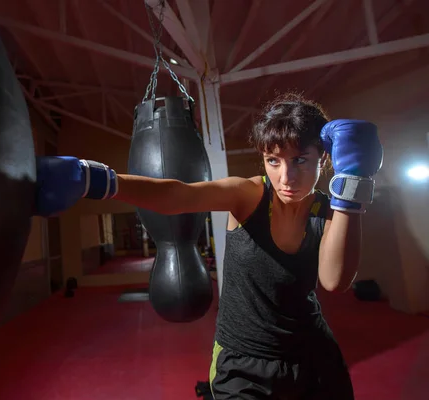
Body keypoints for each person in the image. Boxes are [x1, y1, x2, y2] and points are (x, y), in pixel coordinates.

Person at [35, 93, 383, 399]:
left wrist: (351, 189)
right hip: (243, 364)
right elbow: (178, 194)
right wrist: (95, 180)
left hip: (314, 357)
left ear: (323, 159)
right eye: (273, 160)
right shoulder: (248, 194)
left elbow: (335, 280)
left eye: (300, 160)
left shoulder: (329, 209)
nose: (286, 177)